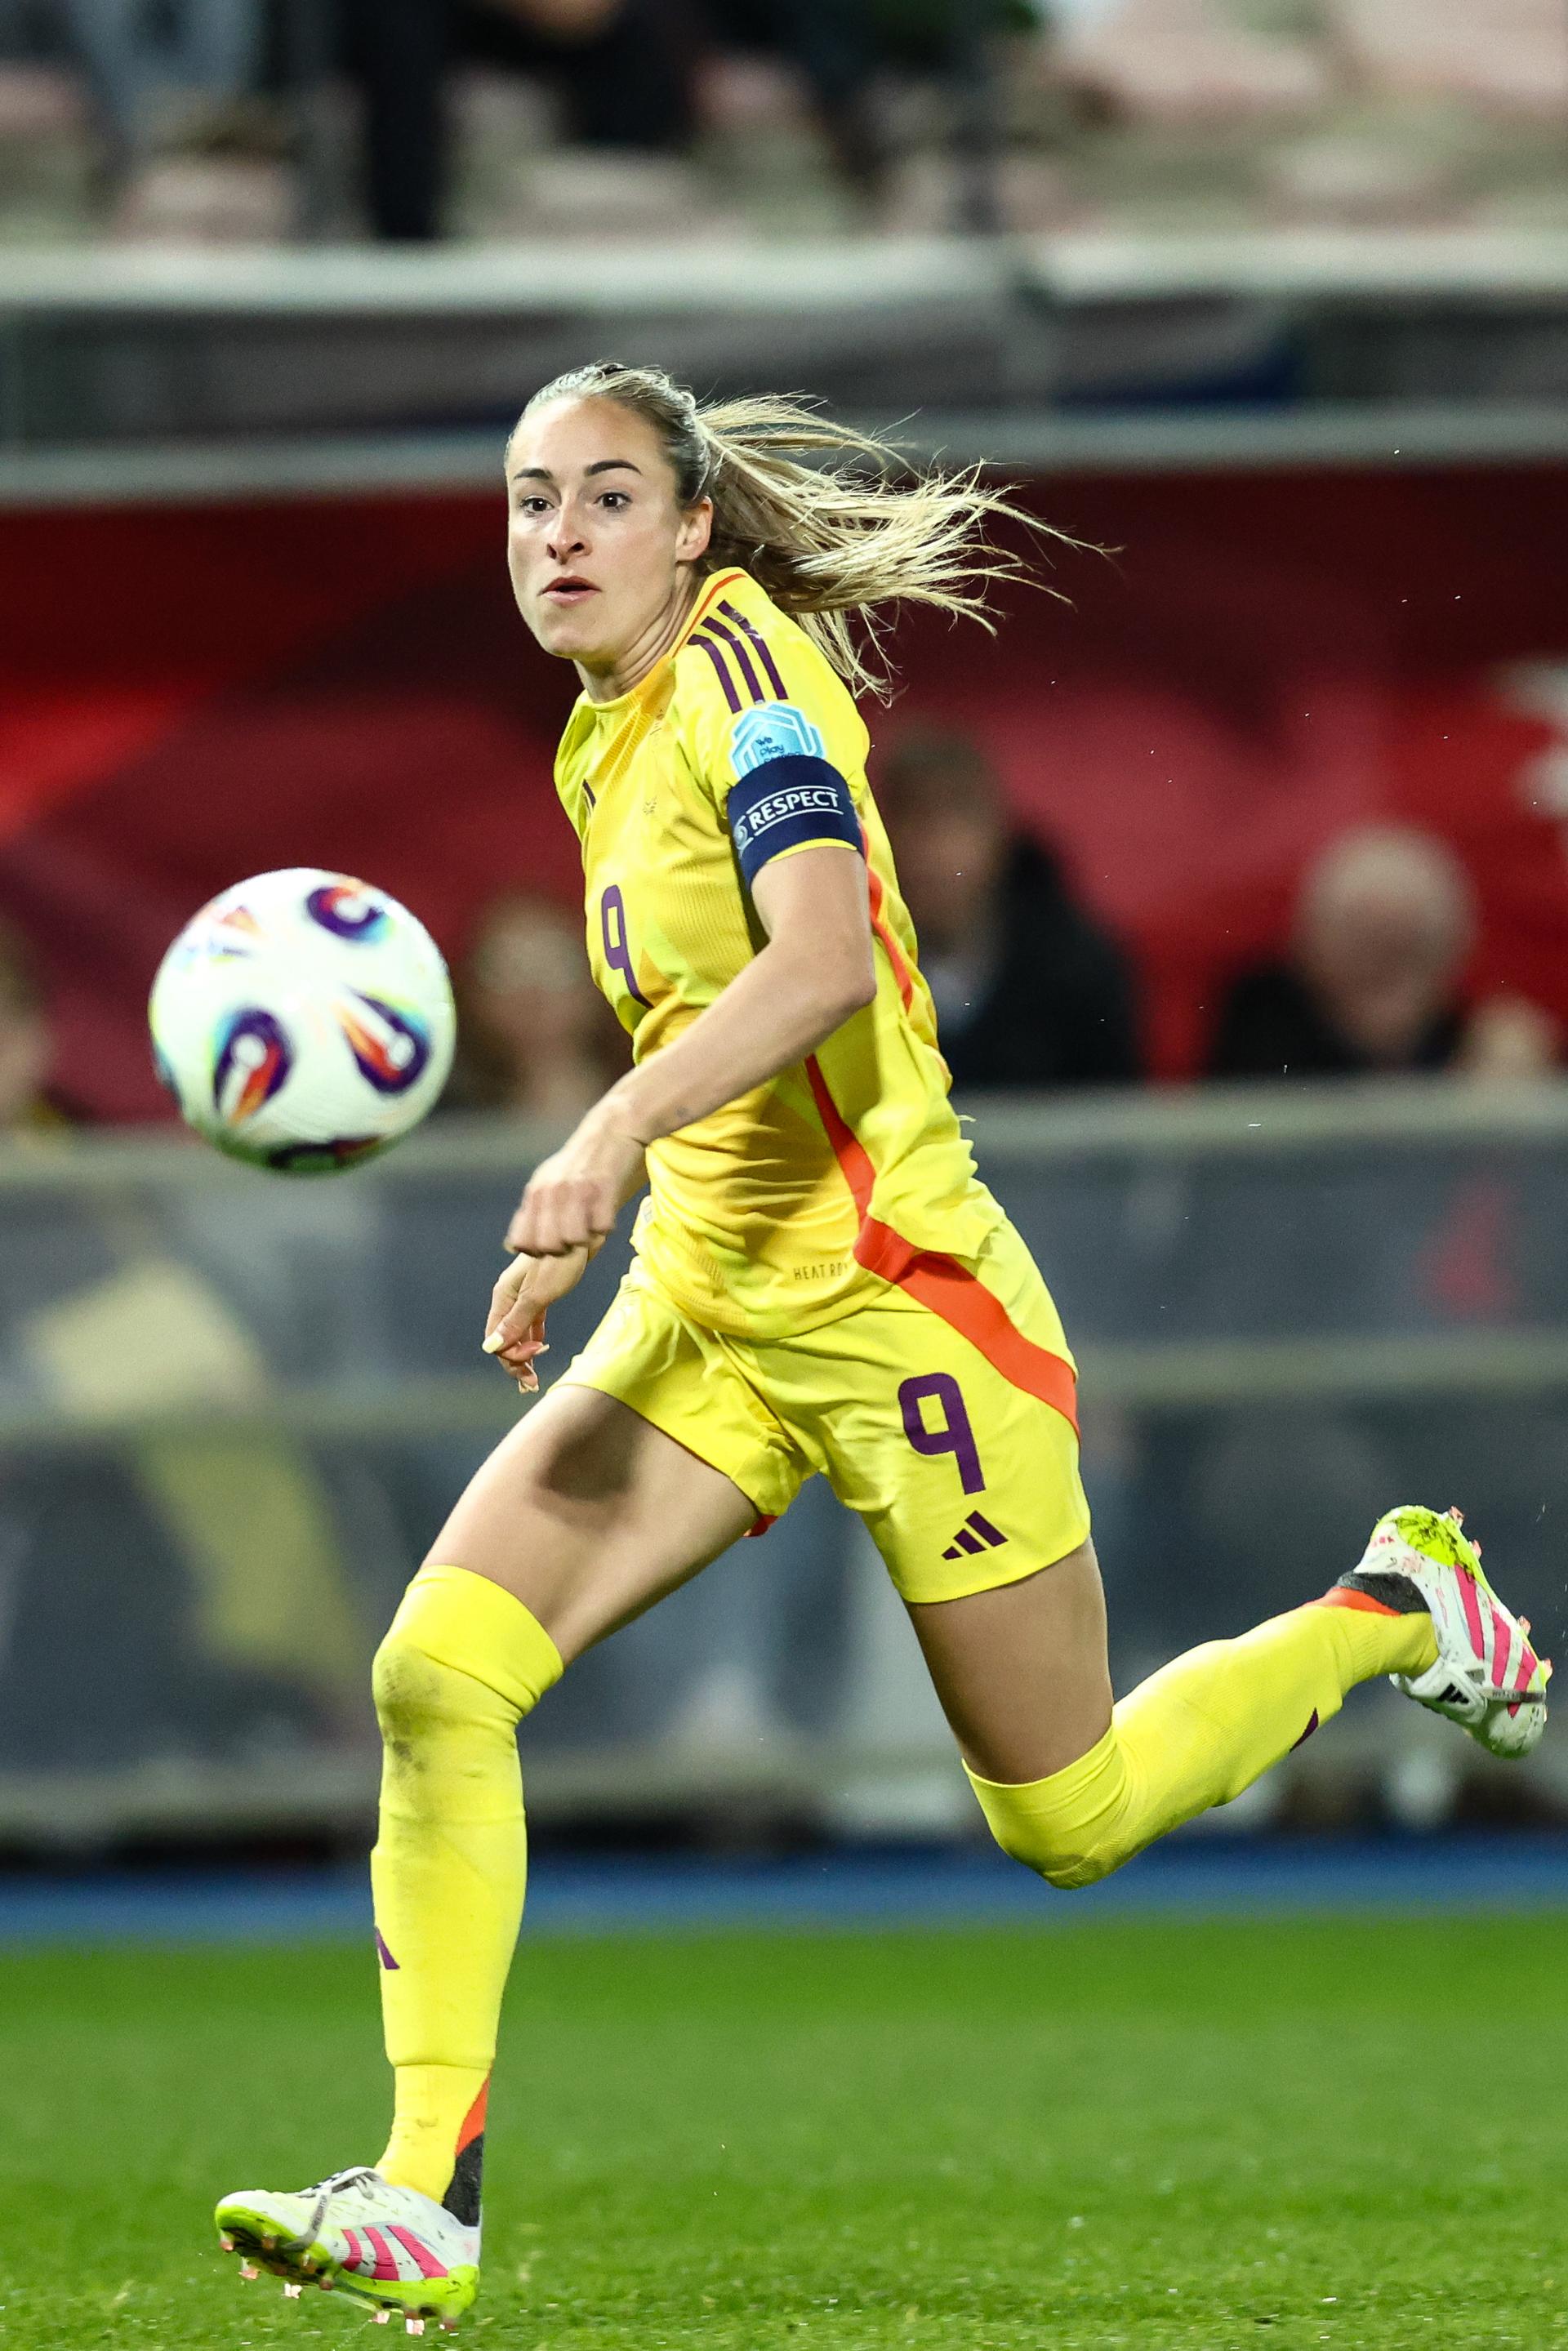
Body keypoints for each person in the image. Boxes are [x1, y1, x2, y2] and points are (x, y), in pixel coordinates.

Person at [214, 363, 1550, 2331]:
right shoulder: (600, 729)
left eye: (599, 498)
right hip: (712, 1297)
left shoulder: (751, 687)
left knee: (1062, 1813)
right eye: (523, 502)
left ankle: (1393, 1603)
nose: (556, 536)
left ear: (689, 528)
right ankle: (424, 2194)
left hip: (899, 1296)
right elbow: (713, 1024)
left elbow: (823, 959)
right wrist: (587, 1232)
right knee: (438, 1676)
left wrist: (595, 1131)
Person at [876, 727, 1143, 1090]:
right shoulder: (847, 963)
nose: (936, 849)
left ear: (1000, 836)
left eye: (958, 817)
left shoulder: (1077, 970)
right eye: (916, 819)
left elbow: (1116, 1122)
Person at [1208, 824, 1560, 1081]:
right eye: (1364, 944)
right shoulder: (1259, 1018)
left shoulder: (1479, 1036)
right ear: (1308, 945)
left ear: (1456, 951)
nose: (1385, 970)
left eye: (1409, 950)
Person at [442, 888, 627, 1119]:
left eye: (557, 969)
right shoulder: (448, 1121)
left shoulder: (657, 1094)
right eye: (506, 974)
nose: (533, 996)